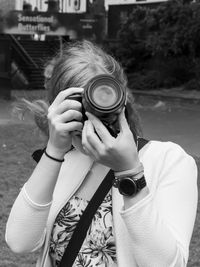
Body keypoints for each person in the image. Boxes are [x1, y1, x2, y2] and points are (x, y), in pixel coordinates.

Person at [5, 40, 198, 267]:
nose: (90, 118)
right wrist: (54, 150)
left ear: (120, 100)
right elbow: (19, 242)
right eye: (78, 105)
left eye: (98, 102)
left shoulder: (169, 161)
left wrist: (129, 172)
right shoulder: (64, 161)